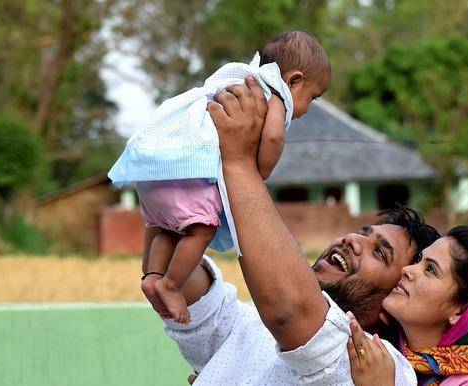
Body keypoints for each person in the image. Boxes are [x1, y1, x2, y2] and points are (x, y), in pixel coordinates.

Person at [143, 76, 440, 385]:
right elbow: (178, 285)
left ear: (393, 303)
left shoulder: (384, 368)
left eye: (379, 252)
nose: (353, 240)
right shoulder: (255, 326)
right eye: (363, 232)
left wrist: (239, 162)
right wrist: (177, 166)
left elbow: (291, 311)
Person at [110, 31, 331, 324]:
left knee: (171, 229)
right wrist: (256, 176)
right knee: (200, 230)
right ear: (293, 80)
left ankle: (153, 275)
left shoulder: (239, 75)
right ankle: (170, 285)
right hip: (186, 174)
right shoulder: (274, 93)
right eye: (312, 98)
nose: (307, 108)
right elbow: (274, 137)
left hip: (159, 172)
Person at [348, 226, 468, 385]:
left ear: (460, 311)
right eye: (419, 260)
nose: (407, 270)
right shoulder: (388, 350)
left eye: (431, 269)